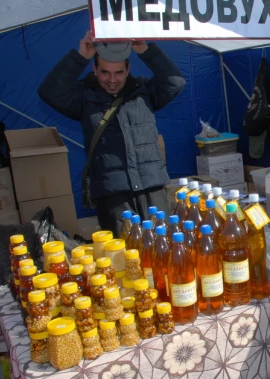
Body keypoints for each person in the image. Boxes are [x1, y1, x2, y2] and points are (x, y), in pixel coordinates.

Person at [38, 31, 185, 236]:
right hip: (113, 197)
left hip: (151, 189)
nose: (112, 80)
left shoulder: (144, 90)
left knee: (163, 250)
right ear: (95, 69)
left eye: (119, 73)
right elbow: (50, 91)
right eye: (105, 72)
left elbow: (175, 82)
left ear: (128, 70)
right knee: (124, 258)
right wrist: (80, 57)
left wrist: (145, 51)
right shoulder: (83, 97)